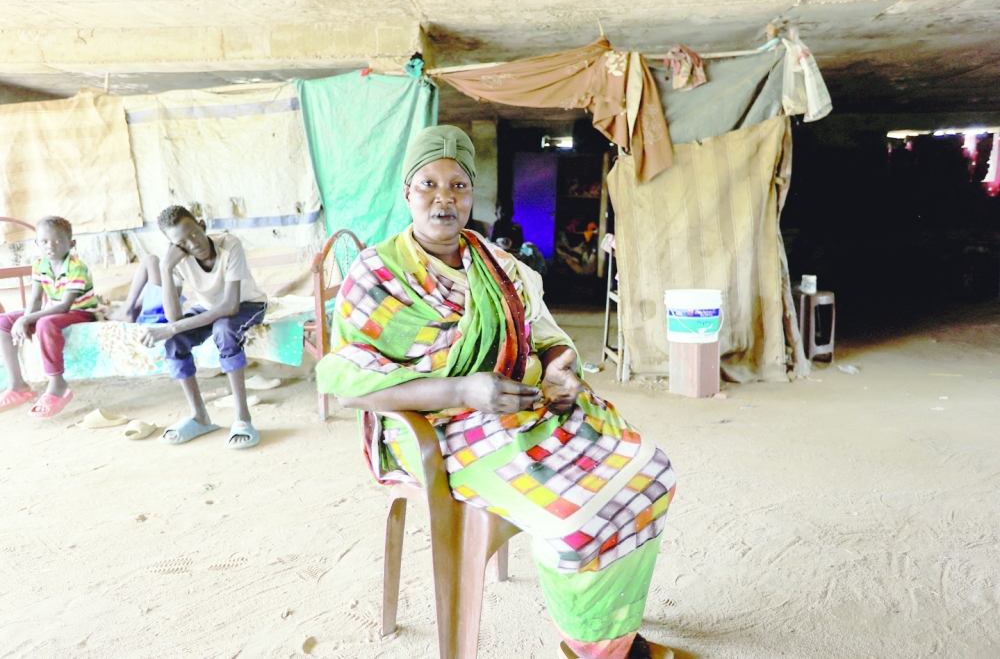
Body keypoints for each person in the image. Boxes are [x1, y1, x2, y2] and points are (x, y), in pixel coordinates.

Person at [317, 126, 676, 659]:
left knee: (649, 470)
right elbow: (348, 385)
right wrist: (462, 388)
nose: (445, 198)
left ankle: (611, 624)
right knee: (576, 512)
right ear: (407, 194)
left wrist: (560, 370)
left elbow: (548, 334)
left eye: (459, 185)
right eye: (429, 184)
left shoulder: (498, 264)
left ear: (472, 195)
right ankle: (598, 647)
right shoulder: (376, 275)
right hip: (440, 428)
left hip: (522, 409)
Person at [140, 206, 267, 449]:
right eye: (182, 242)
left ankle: (242, 418)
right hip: (208, 307)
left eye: (194, 233)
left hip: (247, 304)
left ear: (202, 225)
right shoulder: (177, 260)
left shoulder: (230, 245)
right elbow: (174, 316)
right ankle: (199, 416)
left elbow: (230, 306)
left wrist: (173, 327)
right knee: (175, 340)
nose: (193, 243)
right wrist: (165, 269)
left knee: (224, 329)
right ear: (173, 246)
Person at [0, 216, 99, 417]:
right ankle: (17, 385)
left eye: (58, 241)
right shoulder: (39, 265)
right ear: (37, 243)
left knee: (45, 323)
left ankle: (57, 384)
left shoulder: (76, 267)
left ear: (71, 244)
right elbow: (36, 299)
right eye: (44, 241)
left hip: (81, 312)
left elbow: (65, 306)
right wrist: (24, 319)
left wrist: (28, 319)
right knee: (3, 322)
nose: (50, 246)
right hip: (52, 308)